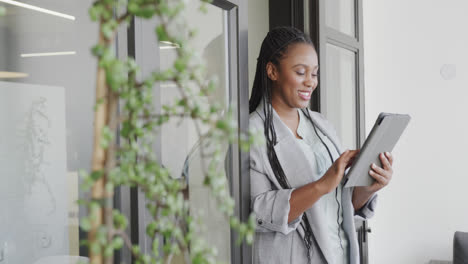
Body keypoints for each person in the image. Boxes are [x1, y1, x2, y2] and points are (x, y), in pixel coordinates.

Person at [249, 27, 394, 264]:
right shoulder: (250, 134)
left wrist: (370, 187)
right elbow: (256, 214)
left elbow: (338, 206)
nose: (310, 82)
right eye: (300, 72)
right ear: (272, 71)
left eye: (314, 74)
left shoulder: (321, 126)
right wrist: (321, 186)